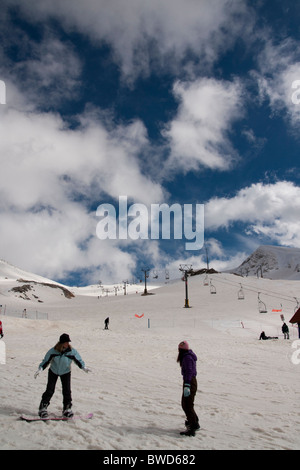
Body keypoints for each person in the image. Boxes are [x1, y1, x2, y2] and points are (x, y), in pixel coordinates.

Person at [34, 333, 91, 418]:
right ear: (61, 343)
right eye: (66, 342)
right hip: (53, 371)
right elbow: (46, 361)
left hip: (66, 372)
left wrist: (83, 367)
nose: (68, 344)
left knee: (67, 391)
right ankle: (43, 407)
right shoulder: (53, 351)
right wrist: (40, 368)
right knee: (50, 389)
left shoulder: (72, 351)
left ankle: (67, 408)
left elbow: (78, 360)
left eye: (68, 342)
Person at [177, 341, 200, 436]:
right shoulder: (187, 356)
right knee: (186, 403)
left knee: (187, 405)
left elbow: (189, 371)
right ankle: (194, 423)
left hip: (190, 382)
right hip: (189, 381)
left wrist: (187, 385)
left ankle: (192, 427)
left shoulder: (187, 357)